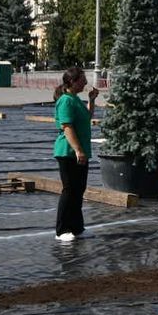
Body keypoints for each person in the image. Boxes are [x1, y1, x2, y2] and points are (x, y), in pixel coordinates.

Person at [52, 66, 98, 242]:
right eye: (82, 79)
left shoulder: (75, 99)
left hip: (81, 152)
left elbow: (87, 117)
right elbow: (67, 127)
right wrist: (78, 150)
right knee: (69, 190)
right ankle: (62, 230)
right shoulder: (65, 101)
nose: (85, 82)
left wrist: (91, 100)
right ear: (72, 81)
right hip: (68, 152)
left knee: (79, 190)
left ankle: (77, 228)